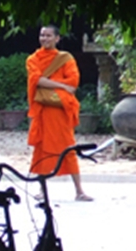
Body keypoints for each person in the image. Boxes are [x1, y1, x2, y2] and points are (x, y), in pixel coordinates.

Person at [26, 25, 93, 201]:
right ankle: (42, 190)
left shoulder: (65, 58)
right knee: (41, 150)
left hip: (61, 111)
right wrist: (61, 86)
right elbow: (36, 80)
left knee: (68, 148)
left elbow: (73, 81)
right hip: (43, 110)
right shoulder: (33, 59)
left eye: (48, 36)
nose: (45, 39)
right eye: (42, 35)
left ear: (57, 39)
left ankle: (79, 191)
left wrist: (51, 83)